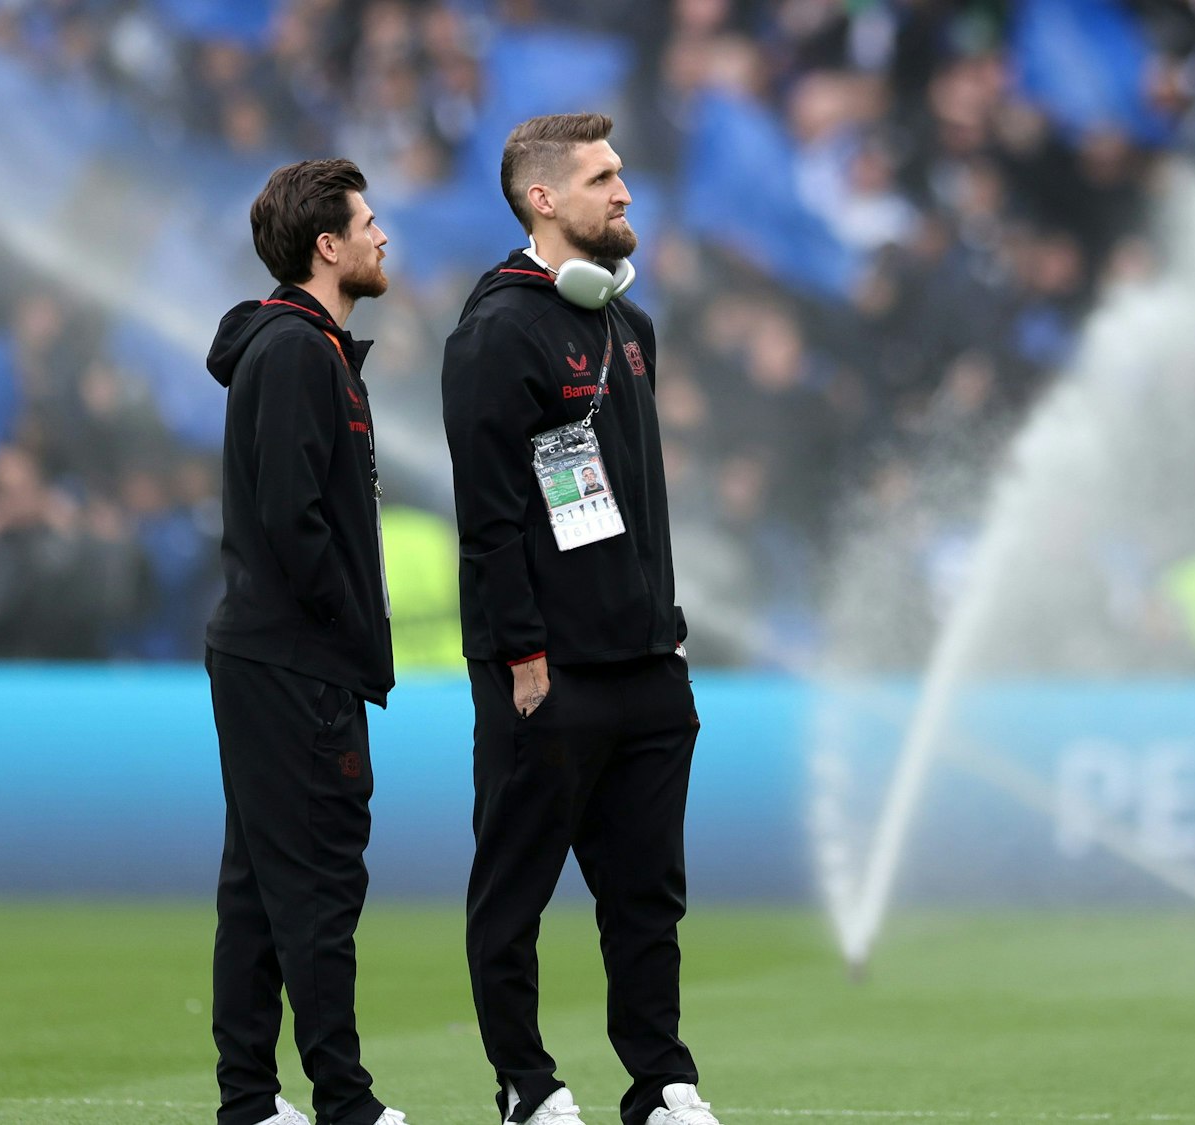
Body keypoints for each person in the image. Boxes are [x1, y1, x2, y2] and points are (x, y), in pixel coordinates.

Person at [442, 113, 720, 1125]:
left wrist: (665, 628)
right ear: (543, 198)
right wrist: (521, 651)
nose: (624, 191)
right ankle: (527, 1085)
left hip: (645, 666)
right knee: (513, 893)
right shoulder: (495, 332)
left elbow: (634, 499)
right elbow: (488, 517)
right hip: (546, 670)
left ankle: (662, 1083)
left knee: (647, 895)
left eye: (621, 173)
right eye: (602, 177)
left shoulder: (628, 326)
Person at [203, 158, 403, 1125]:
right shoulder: (295, 351)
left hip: (275, 652)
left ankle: (249, 1099)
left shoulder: (304, 346)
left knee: (258, 880)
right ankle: (344, 1101)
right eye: (367, 224)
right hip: (294, 656)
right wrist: (346, 622)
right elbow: (293, 516)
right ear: (327, 246)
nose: (382, 236)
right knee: (319, 874)